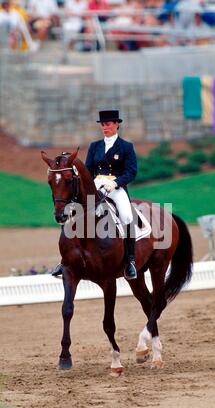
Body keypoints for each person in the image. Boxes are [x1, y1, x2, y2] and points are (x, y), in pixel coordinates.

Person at [52, 109, 138, 280]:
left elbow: (131, 172)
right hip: (96, 185)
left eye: (108, 124)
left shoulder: (126, 147)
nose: (105, 127)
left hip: (116, 187)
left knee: (127, 216)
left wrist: (115, 183)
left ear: (116, 124)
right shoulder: (95, 146)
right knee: (73, 212)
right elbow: (88, 170)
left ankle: (130, 261)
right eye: (103, 125)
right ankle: (65, 261)